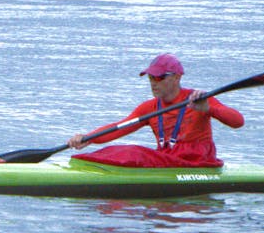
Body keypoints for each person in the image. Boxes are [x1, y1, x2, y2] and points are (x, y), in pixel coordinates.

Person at [68, 54, 244, 168]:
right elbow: (119, 127)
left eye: (159, 77)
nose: (153, 82)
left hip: (199, 162)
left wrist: (208, 109)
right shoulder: (149, 107)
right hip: (168, 159)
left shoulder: (198, 99)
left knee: (133, 153)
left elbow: (238, 122)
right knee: (114, 151)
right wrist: (88, 138)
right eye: (151, 77)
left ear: (177, 77)